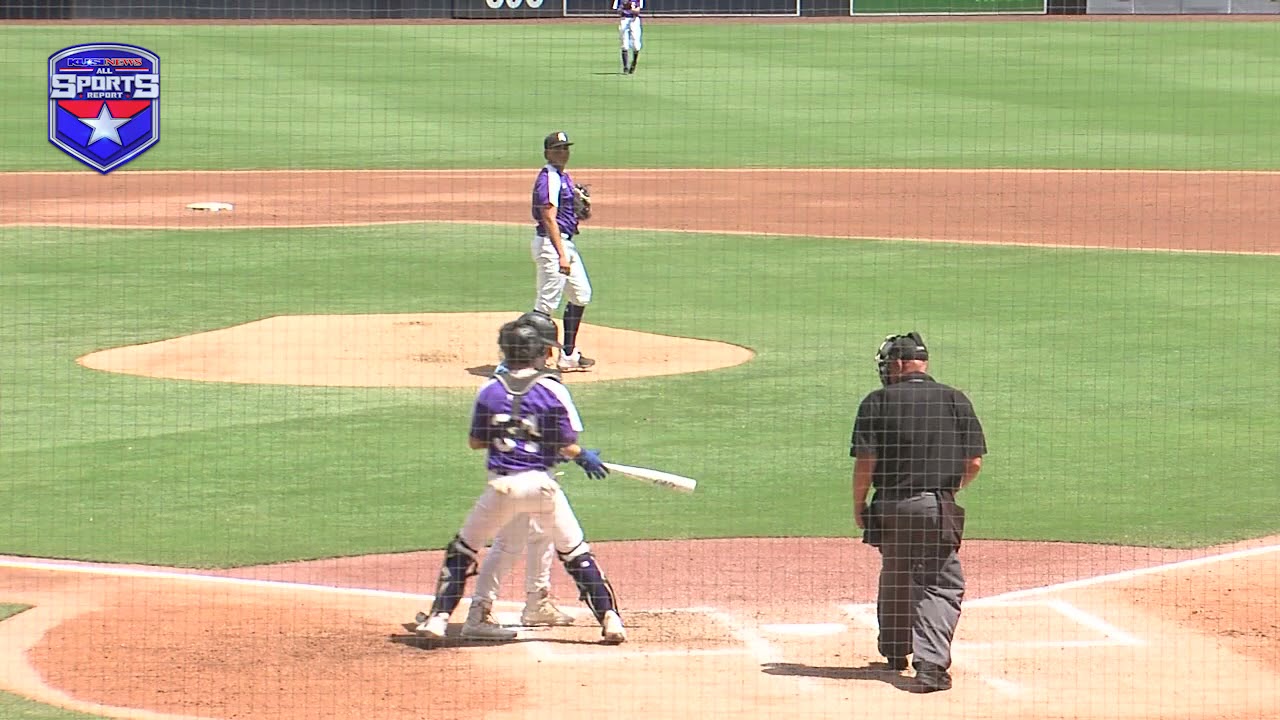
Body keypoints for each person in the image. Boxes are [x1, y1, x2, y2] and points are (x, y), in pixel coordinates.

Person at [415, 317, 625, 644]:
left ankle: (439, 619)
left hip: (501, 488)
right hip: (541, 487)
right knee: (575, 551)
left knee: (463, 549)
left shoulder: (489, 389)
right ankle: (610, 619)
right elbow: (566, 443)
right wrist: (581, 455)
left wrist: (511, 436)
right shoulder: (552, 389)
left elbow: (476, 441)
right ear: (539, 352)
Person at [850, 332, 987, 693]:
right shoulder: (955, 399)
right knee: (940, 583)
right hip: (934, 505)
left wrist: (859, 503)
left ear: (897, 364)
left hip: (889, 505)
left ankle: (896, 650)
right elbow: (974, 462)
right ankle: (931, 666)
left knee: (896, 570)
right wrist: (948, 490)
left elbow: (866, 462)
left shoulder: (876, 402)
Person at [464, 312, 577, 640]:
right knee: (511, 541)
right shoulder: (537, 384)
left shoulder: (503, 378)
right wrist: (567, 450)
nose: (550, 355)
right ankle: (479, 611)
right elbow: (557, 434)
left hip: (522, 473)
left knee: (542, 534)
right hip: (521, 476)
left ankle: (537, 602)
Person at [531, 131, 596, 372]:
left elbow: (567, 213)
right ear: (547, 153)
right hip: (551, 245)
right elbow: (548, 217)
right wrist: (560, 254)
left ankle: (568, 355)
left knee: (581, 294)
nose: (563, 153)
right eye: (558, 149)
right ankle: (528, 358)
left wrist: (580, 211)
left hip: (565, 244)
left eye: (565, 148)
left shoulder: (562, 177)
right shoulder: (549, 178)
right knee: (546, 304)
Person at [613, 0, 643, 74]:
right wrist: (623, 7)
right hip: (624, 19)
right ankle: (625, 66)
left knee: (636, 45)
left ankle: (634, 62)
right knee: (624, 44)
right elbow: (618, 11)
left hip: (634, 20)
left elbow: (638, 11)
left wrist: (631, 9)